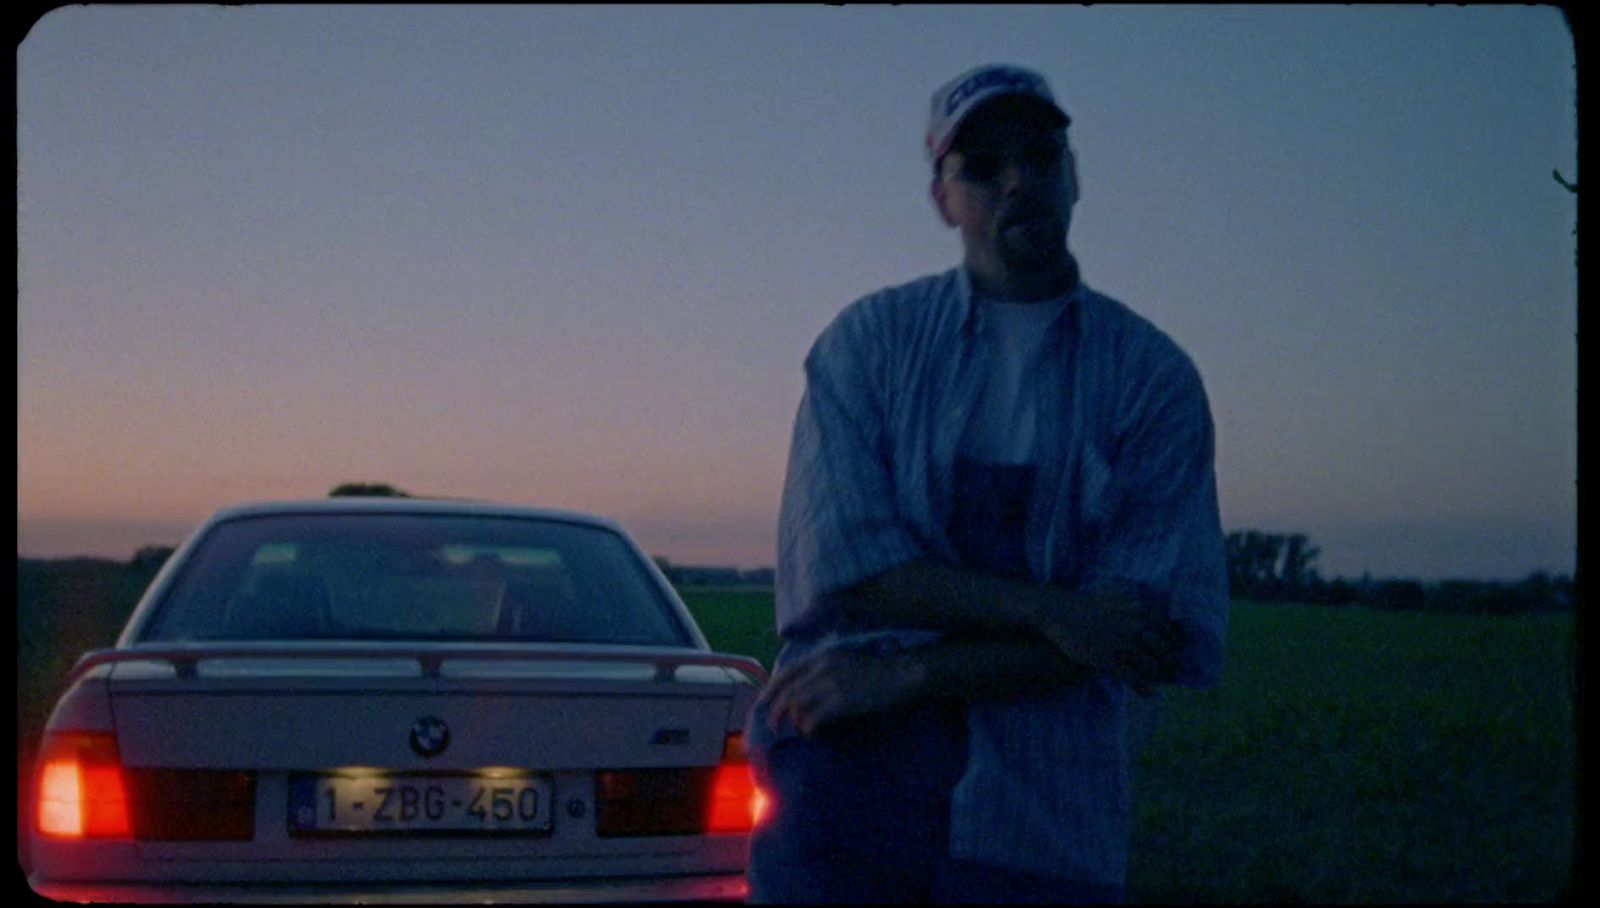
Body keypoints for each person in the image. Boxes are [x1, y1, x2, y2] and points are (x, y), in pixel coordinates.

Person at [744, 63, 1230, 904]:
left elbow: (1144, 629)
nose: (1017, 181)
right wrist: (1057, 611)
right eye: (982, 166)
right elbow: (853, 569)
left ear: (1073, 176)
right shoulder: (868, 346)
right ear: (943, 196)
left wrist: (909, 675)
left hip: (1047, 809)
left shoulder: (1152, 379)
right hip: (842, 782)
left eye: (1039, 157)